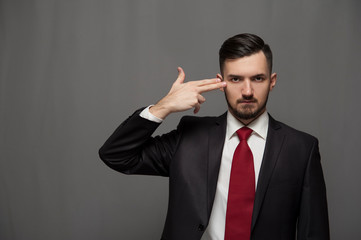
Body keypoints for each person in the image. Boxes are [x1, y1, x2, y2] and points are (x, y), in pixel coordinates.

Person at [99, 33, 329, 240]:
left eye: (258, 78)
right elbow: (117, 155)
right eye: (236, 79)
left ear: (272, 81)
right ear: (222, 83)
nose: (247, 91)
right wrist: (163, 107)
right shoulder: (190, 137)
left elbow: (314, 233)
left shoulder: (301, 148)